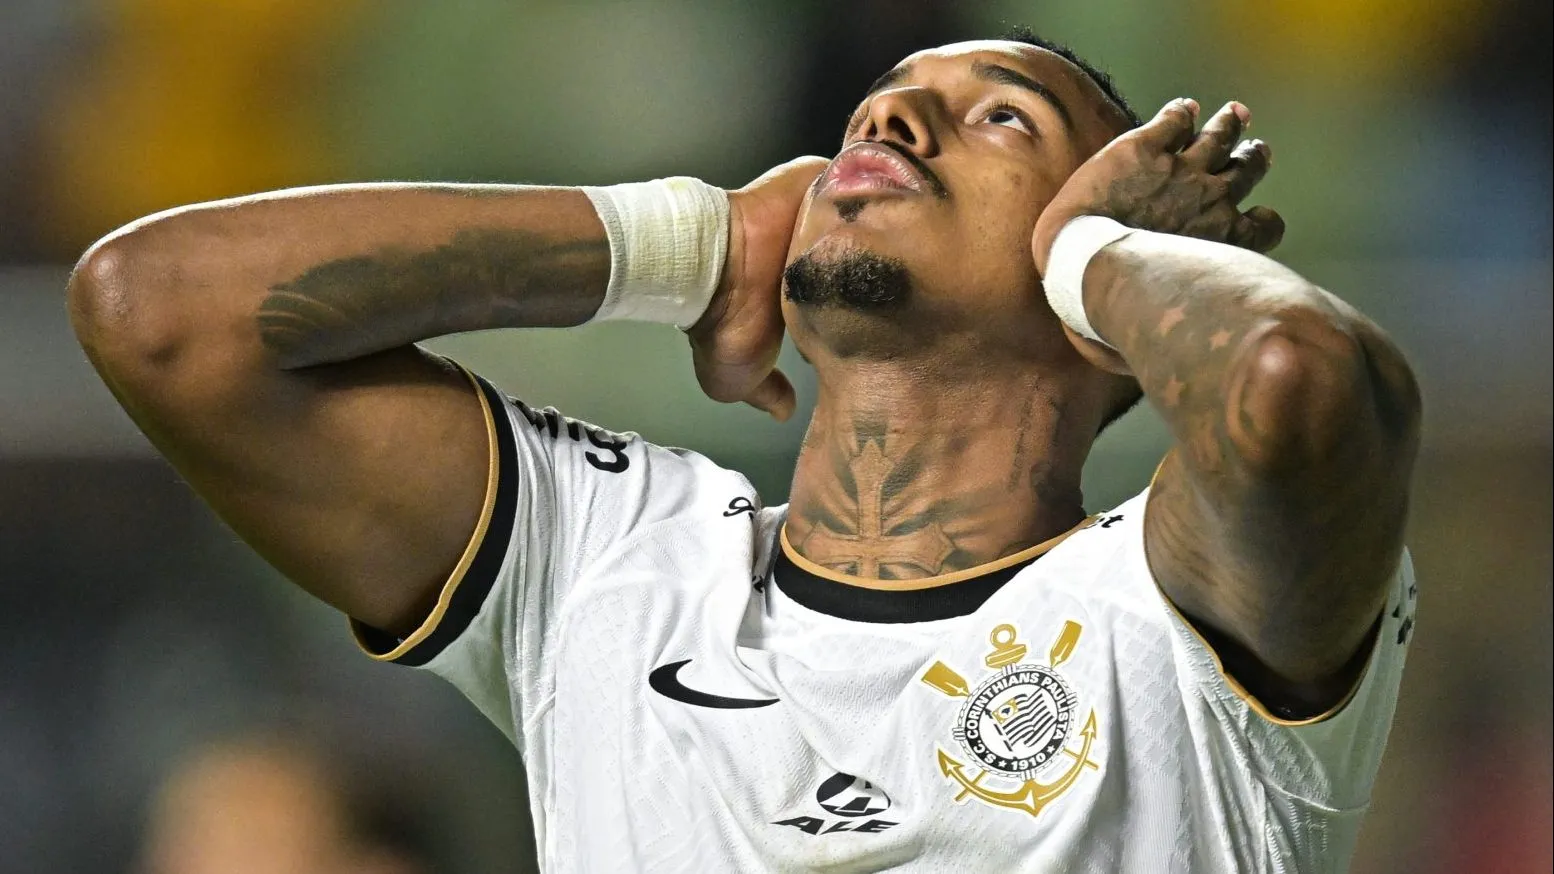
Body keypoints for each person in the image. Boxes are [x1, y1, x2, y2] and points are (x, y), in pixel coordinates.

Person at [70, 28, 1421, 874]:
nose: (893, 123)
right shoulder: (613, 561)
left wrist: (1097, 252)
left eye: (1002, 116)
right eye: (879, 110)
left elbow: (1287, 381)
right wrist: (691, 242)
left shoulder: (1166, 602)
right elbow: (158, 314)